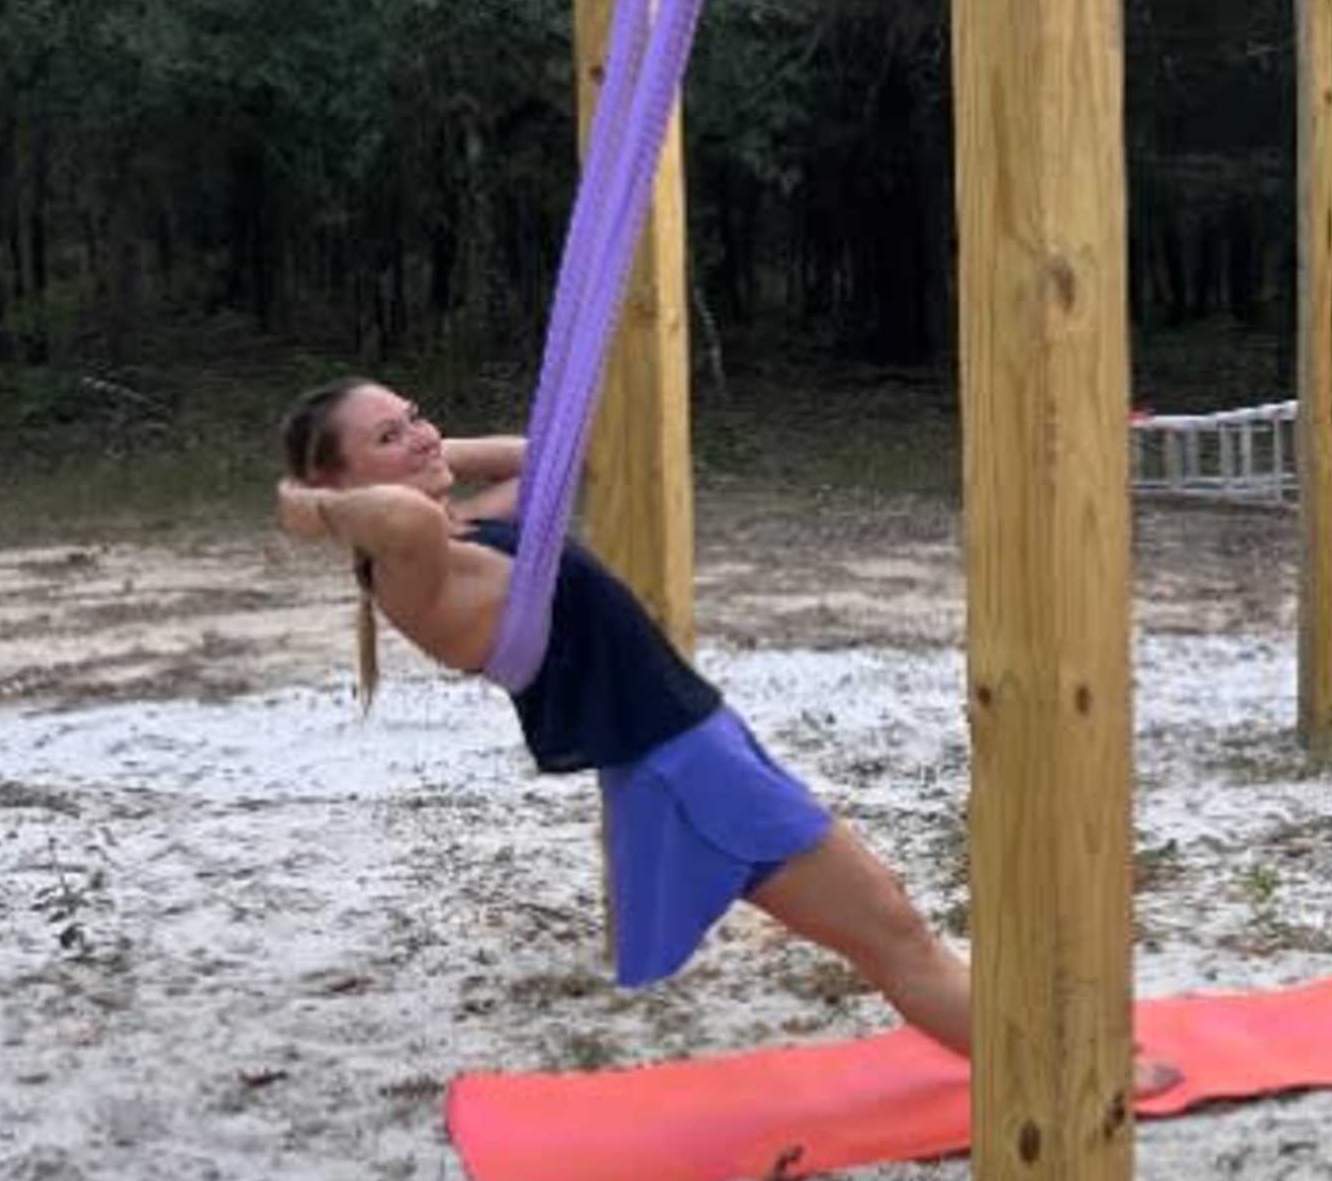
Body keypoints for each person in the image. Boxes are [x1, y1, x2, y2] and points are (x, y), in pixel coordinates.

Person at [274, 378, 976, 1055]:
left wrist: (425, 453)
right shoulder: (414, 567)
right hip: (689, 772)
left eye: (417, 416)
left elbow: (553, 459)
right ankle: (1041, 1089)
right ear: (338, 481)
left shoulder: (466, 529)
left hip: (693, 748)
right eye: (389, 435)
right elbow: (403, 517)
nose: (424, 436)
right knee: (899, 943)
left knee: (894, 938)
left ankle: (1028, 1071)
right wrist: (310, 506)